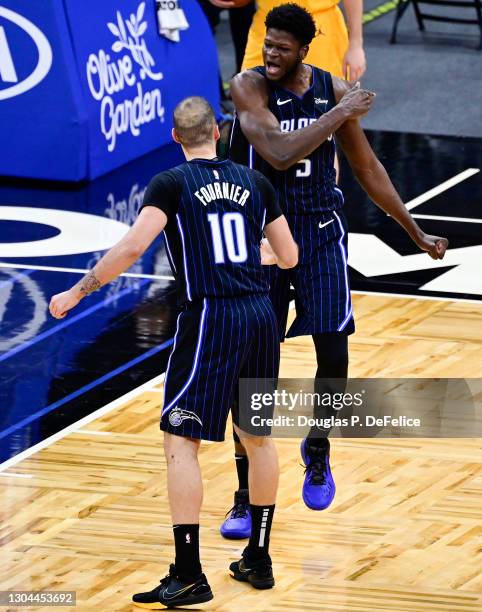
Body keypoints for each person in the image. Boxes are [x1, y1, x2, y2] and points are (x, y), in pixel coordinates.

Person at [49, 96, 299, 605]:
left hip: (211, 317)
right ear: (220, 131)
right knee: (258, 439)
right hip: (260, 314)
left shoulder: (171, 183)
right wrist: (256, 256)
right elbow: (289, 255)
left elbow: (133, 248)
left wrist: (77, 292)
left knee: (179, 442)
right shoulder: (255, 183)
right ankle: (259, 557)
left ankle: (189, 572)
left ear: (174, 136)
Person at [219, 2, 449, 539]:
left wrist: (413, 230)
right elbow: (276, 153)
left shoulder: (332, 90)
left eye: (280, 47)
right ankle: (242, 495)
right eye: (266, 44)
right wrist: (338, 115)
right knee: (254, 371)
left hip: (320, 231)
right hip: (265, 241)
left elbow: (367, 167)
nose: (269, 53)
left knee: (334, 351)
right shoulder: (248, 87)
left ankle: (317, 446)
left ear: (304, 49)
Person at [242, 0, 366, 81]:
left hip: (321, 31)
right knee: (251, 99)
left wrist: (355, 45)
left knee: (325, 109)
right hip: (267, 25)